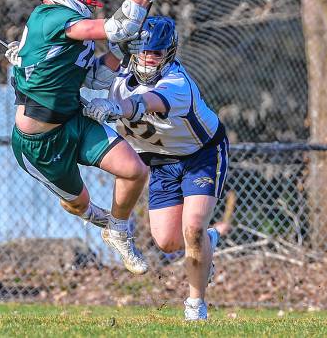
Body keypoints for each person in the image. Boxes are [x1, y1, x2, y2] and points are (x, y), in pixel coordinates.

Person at [4, 0, 176, 275]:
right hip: (39, 145)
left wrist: (122, 52)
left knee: (134, 171)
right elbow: (117, 27)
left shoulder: (68, 27)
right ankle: (98, 217)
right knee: (78, 205)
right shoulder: (52, 16)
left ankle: (118, 231)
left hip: (74, 121)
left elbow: (95, 78)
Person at [82, 16, 229, 320]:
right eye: (144, 51)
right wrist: (32, 59)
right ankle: (207, 240)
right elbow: (77, 74)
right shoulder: (119, 72)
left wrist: (115, 108)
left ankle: (195, 306)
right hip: (160, 161)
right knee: (168, 242)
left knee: (192, 228)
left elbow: (147, 102)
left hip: (200, 155)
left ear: (169, 53)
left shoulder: (177, 84)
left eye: (157, 52)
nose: (149, 58)